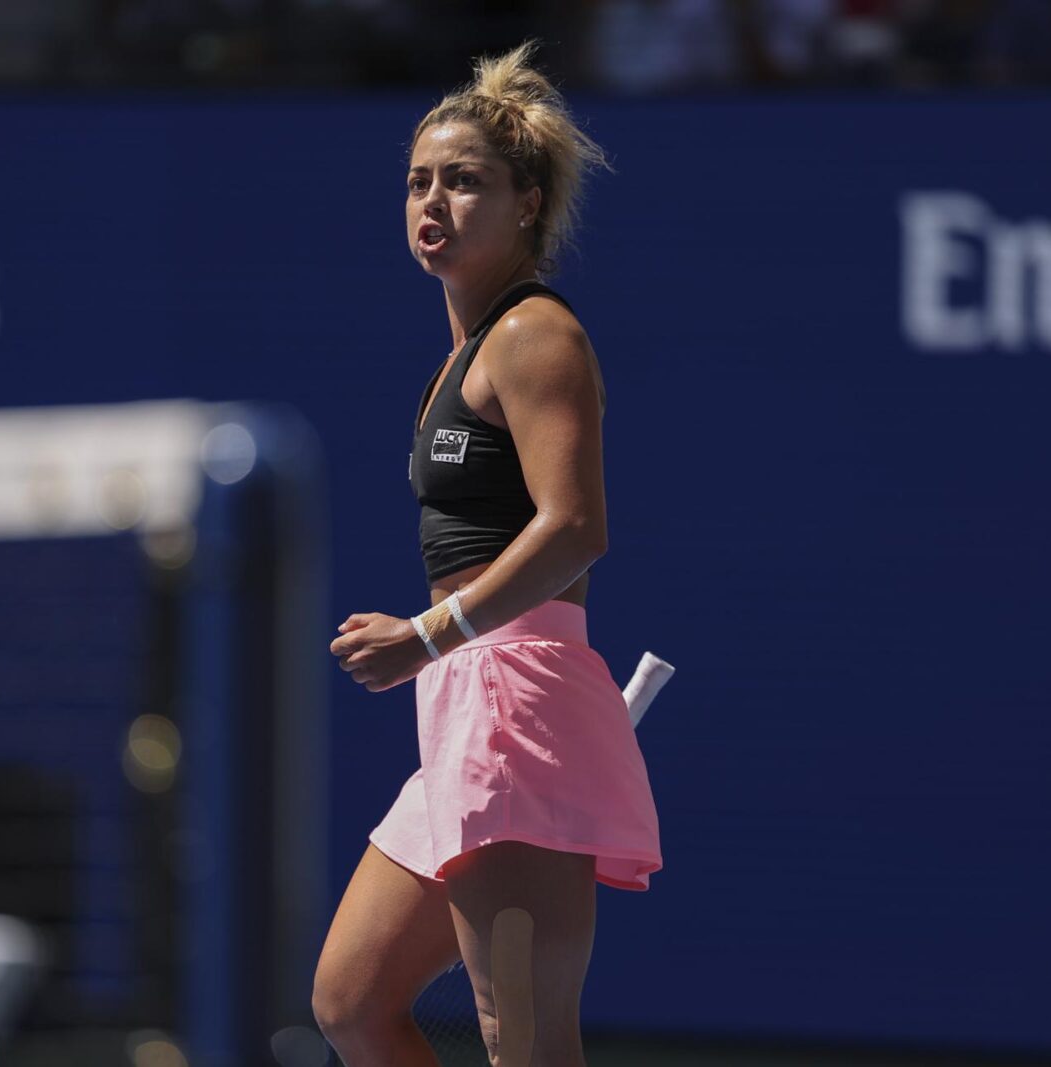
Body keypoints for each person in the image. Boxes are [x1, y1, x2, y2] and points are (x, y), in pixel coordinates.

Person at [315, 40, 662, 1067]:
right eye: (419, 180)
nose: (434, 200)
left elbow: (575, 527)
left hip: (518, 705)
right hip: (463, 700)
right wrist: (436, 649)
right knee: (352, 1001)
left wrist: (425, 635)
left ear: (527, 204)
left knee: (524, 1038)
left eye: (464, 181)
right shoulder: (461, 357)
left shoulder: (534, 335)